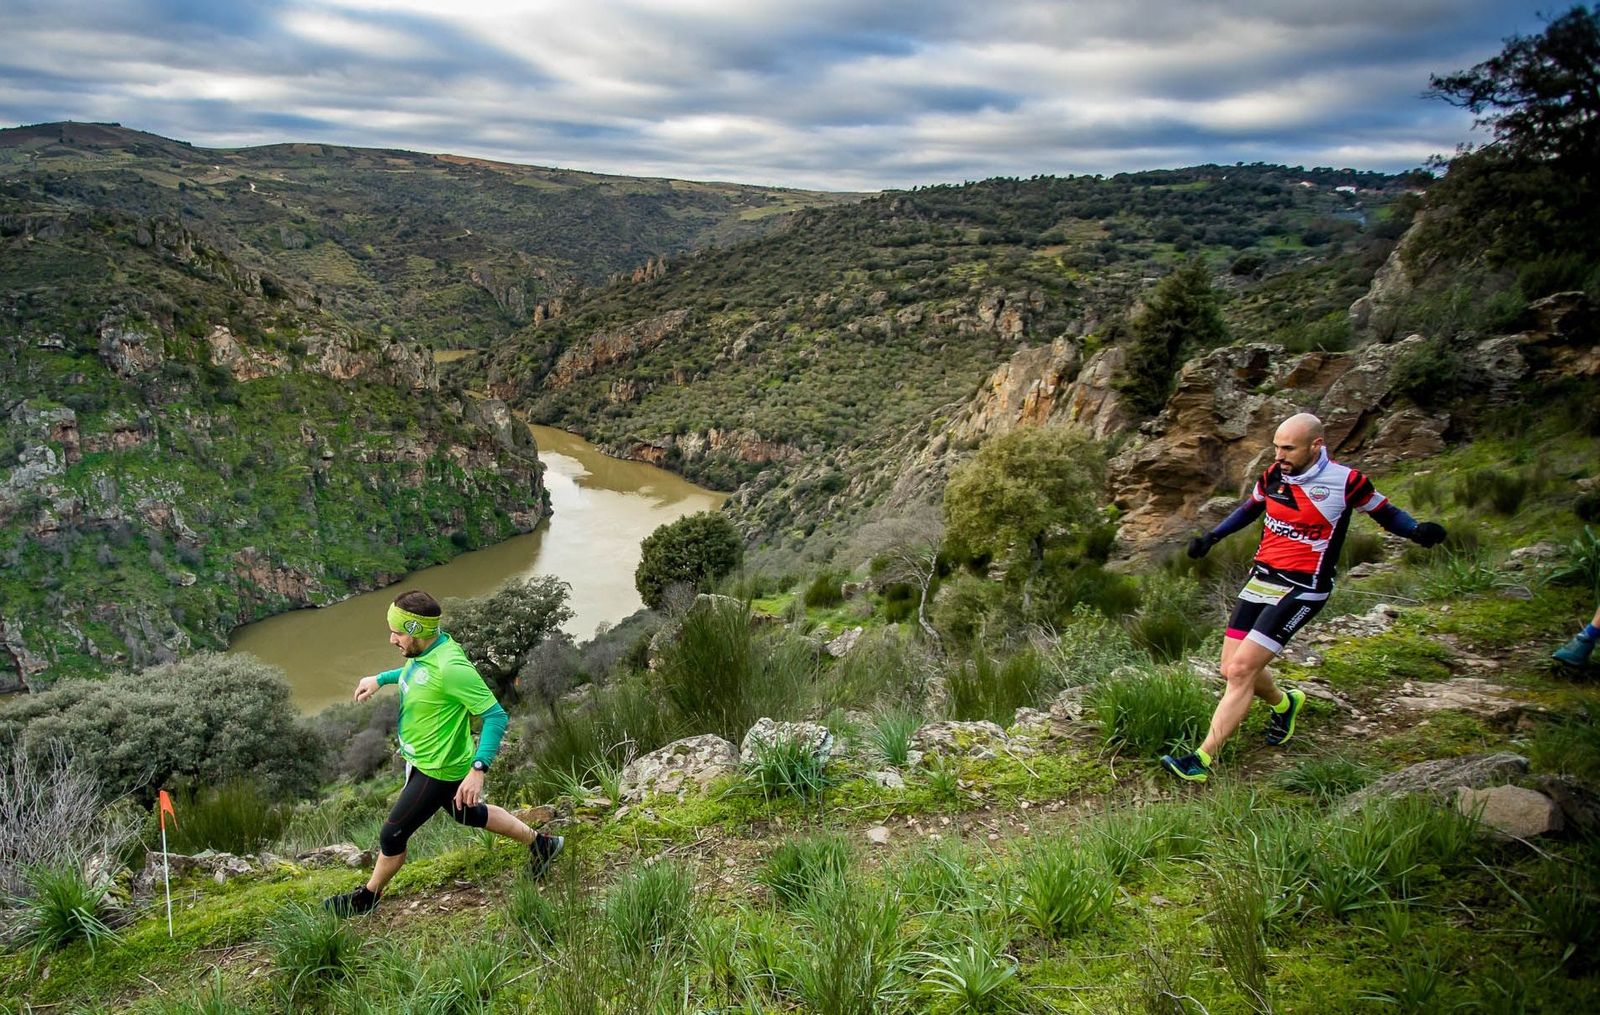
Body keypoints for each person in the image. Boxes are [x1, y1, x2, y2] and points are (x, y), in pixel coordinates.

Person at [1162, 413, 1447, 782]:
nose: (1279, 455)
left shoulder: (1346, 482)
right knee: (1229, 667)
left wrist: (1416, 531)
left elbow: (1385, 513)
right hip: (1262, 580)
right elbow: (1250, 509)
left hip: (1304, 588)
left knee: (1242, 671)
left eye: (1288, 448)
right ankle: (1285, 704)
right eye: (1276, 447)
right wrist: (1212, 537)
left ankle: (1201, 760)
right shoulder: (1274, 475)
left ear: (1316, 445)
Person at [325, 590, 563, 916]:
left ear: (417, 631)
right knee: (469, 814)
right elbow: (416, 674)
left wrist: (478, 769)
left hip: (437, 768)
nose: (392, 639)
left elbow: (496, 716)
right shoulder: (426, 651)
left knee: (392, 835)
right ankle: (543, 844)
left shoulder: (451, 667)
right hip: (428, 760)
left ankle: (367, 898)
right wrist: (380, 679)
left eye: (397, 633)